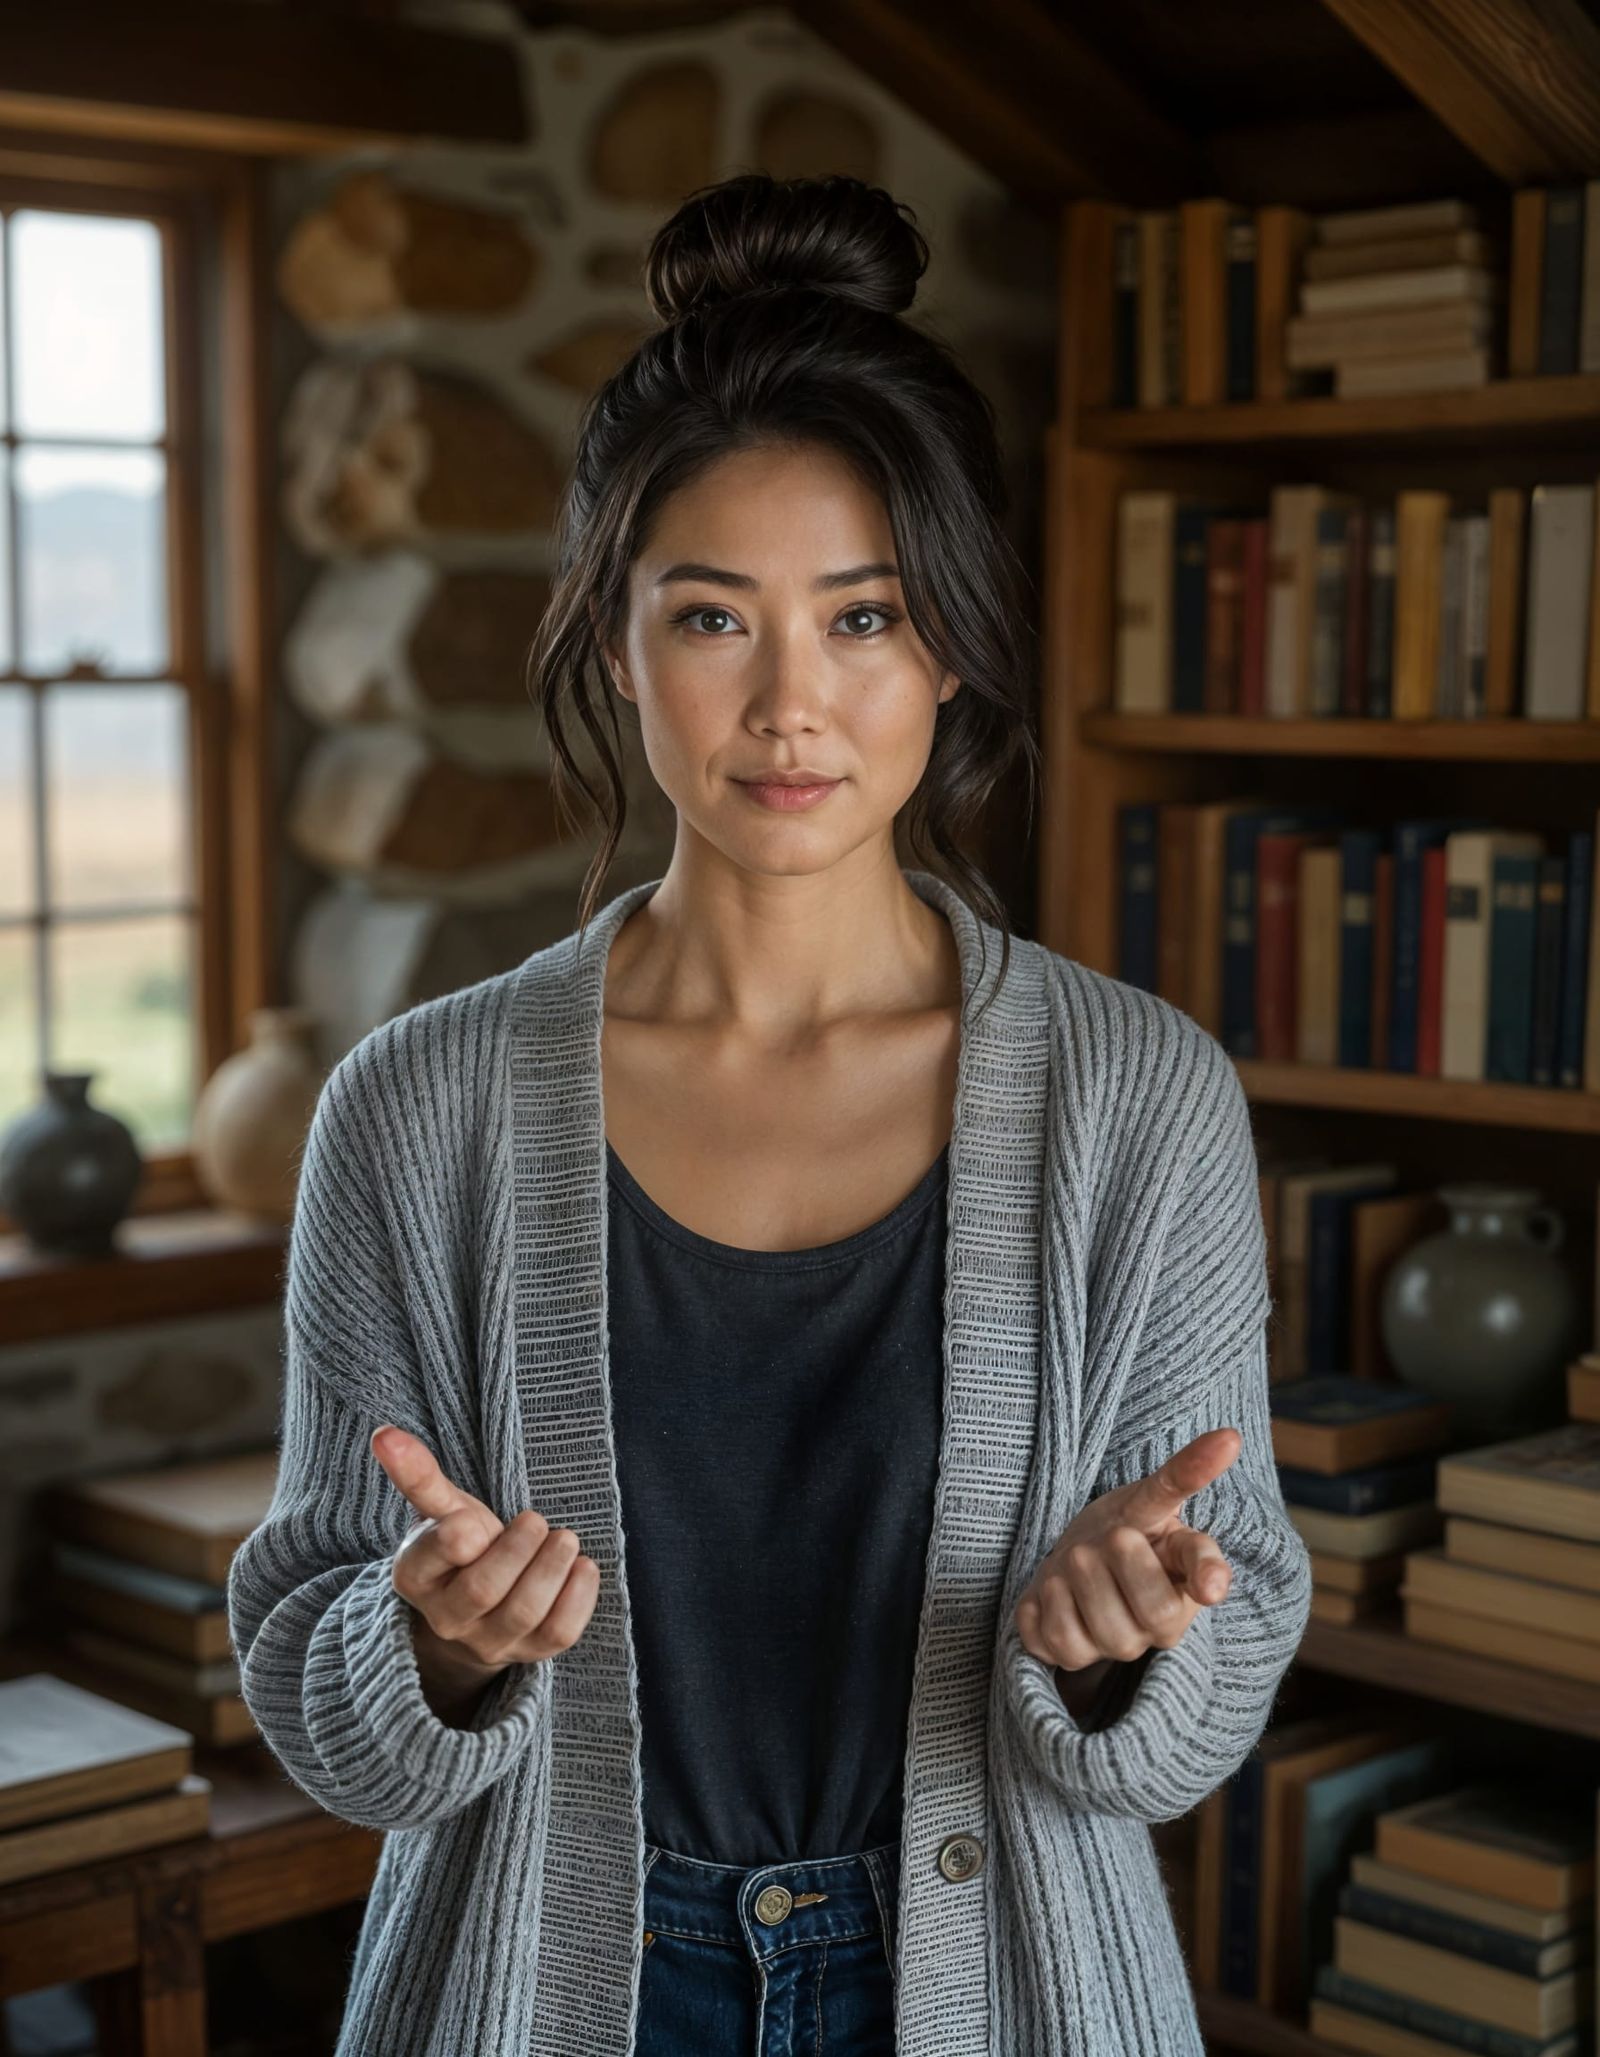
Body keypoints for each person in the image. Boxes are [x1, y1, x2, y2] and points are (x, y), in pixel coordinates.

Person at [227, 171, 1313, 2057]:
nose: (791, 704)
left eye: (864, 615)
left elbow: (1225, 1650)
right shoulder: (414, 1110)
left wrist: (1127, 1646)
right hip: (541, 1989)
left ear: (951, 641)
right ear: (615, 642)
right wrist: (428, 1643)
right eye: (714, 617)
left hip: (1004, 1989)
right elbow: (316, 1682)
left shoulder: (1140, 1100)